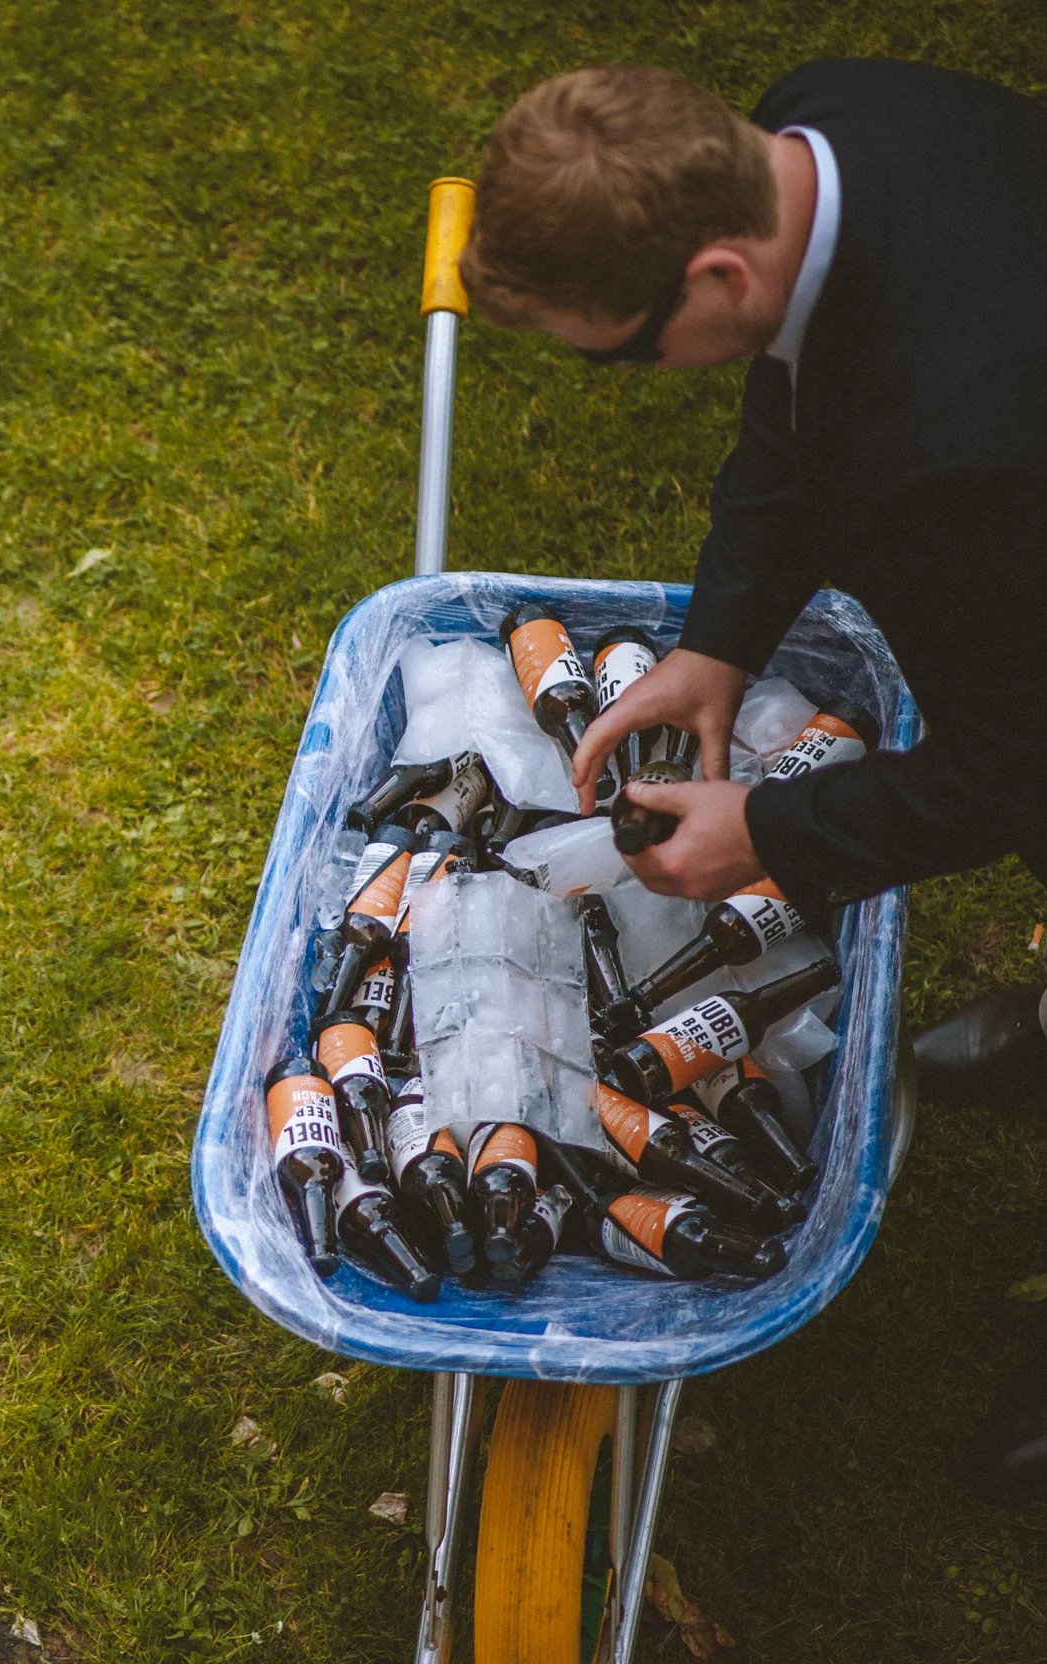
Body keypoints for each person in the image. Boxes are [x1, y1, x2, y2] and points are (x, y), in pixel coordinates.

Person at [459, 59, 1047, 1501]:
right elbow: (793, 397)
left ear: (716, 270)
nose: (632, 380)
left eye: (619, 352)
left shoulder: (961, 444)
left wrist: (770, 833)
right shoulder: (829, 124)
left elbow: (1014, 765)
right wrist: (721, 645)